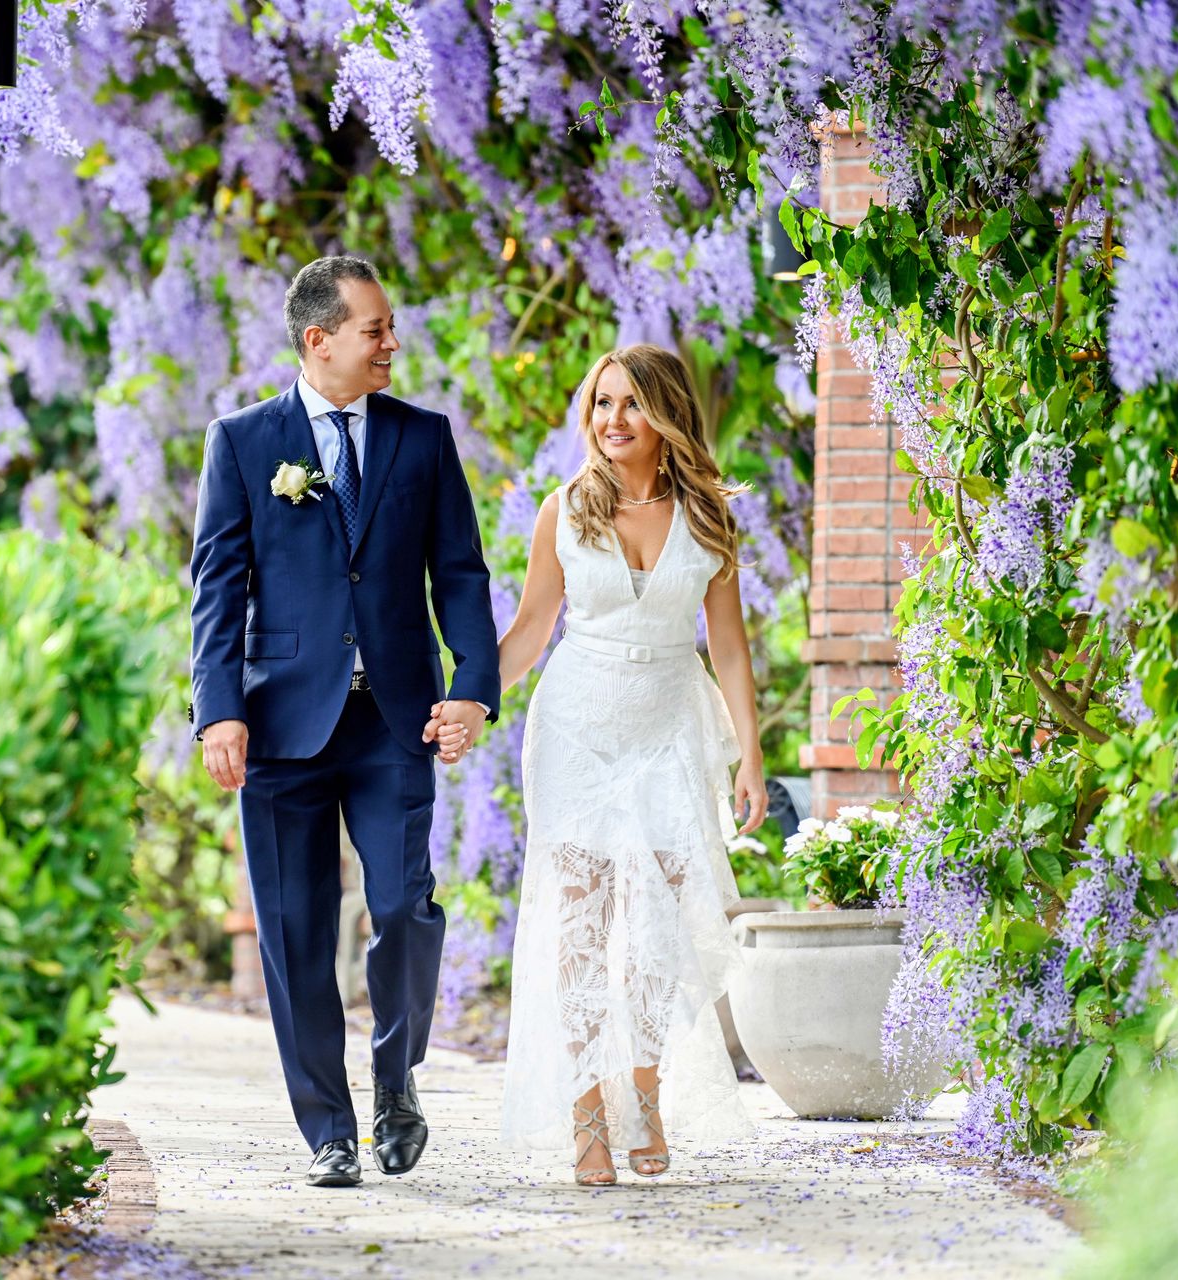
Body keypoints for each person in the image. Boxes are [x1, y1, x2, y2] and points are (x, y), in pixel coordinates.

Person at [189, 256, 500, 1188]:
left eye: (391, 326)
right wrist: (218, 711)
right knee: (292, 930)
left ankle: (396, 1078)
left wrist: (473, 685)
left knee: (405, 905)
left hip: (394, 717)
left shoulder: (422, 438)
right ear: (318, 341)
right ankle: (327, 1128)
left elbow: (461, 574)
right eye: (375, 330)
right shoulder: (243, 443)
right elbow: (217, 588)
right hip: (280, 725)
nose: (391, 344)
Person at [470, 343, 767, 1184]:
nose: (611, 421)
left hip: (673, 725)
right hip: (577, 729)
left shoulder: (707, 515)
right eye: (601, 404)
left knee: (660, 934)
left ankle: (644, 1095)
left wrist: (749, 755)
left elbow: (732, 651)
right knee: (584, 928)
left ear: (666, 413)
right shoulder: (563, 509)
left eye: (630, 404)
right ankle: (588, 1118)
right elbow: (531, 629)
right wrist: (470, 697)